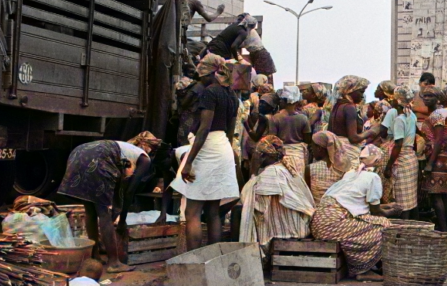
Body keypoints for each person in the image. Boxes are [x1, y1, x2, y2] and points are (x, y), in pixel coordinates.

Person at [170, 54, 240, 252]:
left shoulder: (210, 93)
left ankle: (195, 259)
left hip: (207, 147)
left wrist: (189, 162)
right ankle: (212, 258)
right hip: (223, 148)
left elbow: (203, 130)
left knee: (193, 212)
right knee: (213, 212)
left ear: (210, 72)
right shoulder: (232, 96)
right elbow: (229, 131)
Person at [57, 133, 156, 272]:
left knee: (90, 210)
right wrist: (122, 220)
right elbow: (129, 192)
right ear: (146, 147)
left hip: (78, 153)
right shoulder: (144, 158)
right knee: (103, 213)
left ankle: (95, 256)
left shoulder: (125, 150)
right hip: (97, 157)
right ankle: (114, 263)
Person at [311, 145, 401, 282]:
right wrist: (393, 211)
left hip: (321, 222)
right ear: (377, 162)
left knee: (375, 223)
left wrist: (388, 206)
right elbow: (376, 211)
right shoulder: (373, 177)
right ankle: (363, 269)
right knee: (385, 227)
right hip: (333, 224)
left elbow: (356, 201)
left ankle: (369, 266)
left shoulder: (351, 173)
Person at [240, 135, 315, 256]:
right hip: (298, 228)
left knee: (241, 212)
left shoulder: (271, 173)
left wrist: (253, 170)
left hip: (284, 231)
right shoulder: (285, 169)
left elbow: (252, 202)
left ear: (263, 156)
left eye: (257, 154)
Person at [421, 87, 447, 232]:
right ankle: (446, 228)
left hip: (437, 157)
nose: (426, 98)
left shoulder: (436, 115)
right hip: (443, 157)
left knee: (436, 195)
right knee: (442, 194)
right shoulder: (437, 114)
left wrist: (430, 163)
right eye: (424, 96)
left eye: (430, 96)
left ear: (438, 99)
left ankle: (444, 230)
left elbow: (437, 140)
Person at [383, 85, 419, 219]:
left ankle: (403, 229)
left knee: (402, 202)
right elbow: (414, 139)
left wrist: (389, 166)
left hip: (402, 160)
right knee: (411, 200)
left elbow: (398, 144)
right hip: (411, 158)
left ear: (398, 100)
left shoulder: (399, 120)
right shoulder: (412, 115)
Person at [329, 75, 376, 168]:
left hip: (338, 153)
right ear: (350, 90)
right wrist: (371, 132)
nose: (362, 96)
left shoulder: (338, 106)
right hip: (347, 155)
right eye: (361, 92)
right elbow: (353, 138)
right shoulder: (349, 107)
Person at [270, 86, 312, 174]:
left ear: (284, 100)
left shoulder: (275, 118)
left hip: (281, 158)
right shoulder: (303, 118)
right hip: (298, 157)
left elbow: (272, 139)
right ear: (297, 101)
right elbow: (307, 140)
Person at [306, 131, 353, 204]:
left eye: (312, 146)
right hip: (339, 211)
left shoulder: (310, 169)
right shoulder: (345, 168)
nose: (311, 149)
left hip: (318, 211)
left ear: (319, 148)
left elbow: (308, 196)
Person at [240, 20, 277, 84]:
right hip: (258, 55)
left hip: (260, 55)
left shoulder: (248, 31)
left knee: (261, 80)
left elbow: (240, 44)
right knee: (261, 80)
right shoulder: (249, 31)